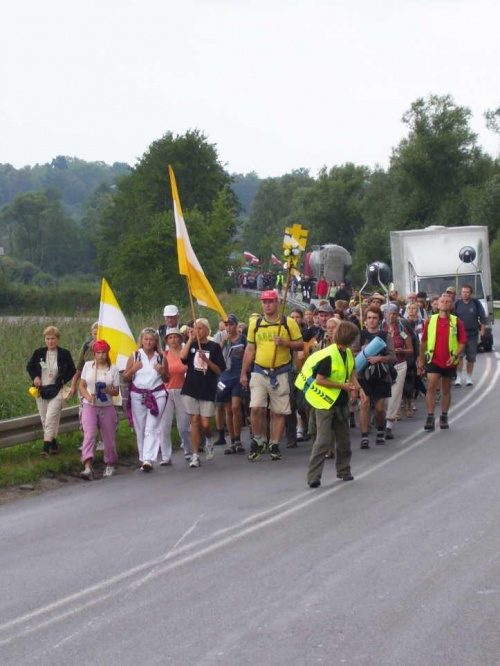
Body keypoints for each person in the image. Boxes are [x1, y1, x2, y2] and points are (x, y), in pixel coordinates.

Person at [296, 321, 367, 487]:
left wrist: (359, 388)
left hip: (340, 401)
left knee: (344, 440)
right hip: (324, 402)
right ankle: (313, 476)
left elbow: (351, 373)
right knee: (323, 440)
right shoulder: (329, 356)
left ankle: (344, 470)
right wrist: (342, 386)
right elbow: (320, 380)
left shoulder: (347, 353)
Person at [240, 290, 303, 461]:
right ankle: (258, 439)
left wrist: (285, 343)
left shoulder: (288, 323)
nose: (267, 305)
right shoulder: (256, 324)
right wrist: (243, 373)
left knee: (278, 412)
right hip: (260, 370)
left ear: (277, 303)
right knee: (256, 407)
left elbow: (300, 345)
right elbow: (250, 349)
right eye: (264, 302)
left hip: (281, 371)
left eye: (270, 302)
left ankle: (274, 443)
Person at [180, 318, 225, 468]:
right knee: (194, 421)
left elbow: (219, 370)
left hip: (207, 388)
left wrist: (206, 360)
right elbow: (182, 357)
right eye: (195, 328)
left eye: (200, 328)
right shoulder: (192, 345)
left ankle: (209, 439)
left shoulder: (214, 347)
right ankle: (195, 455)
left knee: (205, 423)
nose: (197, 331)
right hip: (191, 387)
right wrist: (190, 339)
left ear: (206, 330)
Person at [418, 294, 467, 431]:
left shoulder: (456, 322)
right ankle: (430, 415)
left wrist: (455, 355)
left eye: (447, 302)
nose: (445, 303)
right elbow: (423, 341)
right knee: (431, 386)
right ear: (437, 305)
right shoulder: (430, 320)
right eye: (442, 301)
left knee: (446, 389)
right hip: (434, 359)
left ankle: (444, 415)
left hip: (449, 361)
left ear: (451, 305)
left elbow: (463, 342)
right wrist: (421, 359)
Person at [26, 326, 77, 457]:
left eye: (53, 338)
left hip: (57, 390)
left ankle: (45, 449)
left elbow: (72, 369)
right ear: (44, 340)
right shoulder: (38, 353)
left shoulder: (64, 353)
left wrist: (62, 380)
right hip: (41, 390)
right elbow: (30, 366)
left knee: (50, 418)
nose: (50, 341)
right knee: (44, 419)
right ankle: (54, 443)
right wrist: (35, 377)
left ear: (58, 339)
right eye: (47, 339)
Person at [122, 328, 169, 471]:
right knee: (140, 427)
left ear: (156, 342)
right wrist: (134, 369)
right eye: (146, 339)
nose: (148, 342)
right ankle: (143, 457)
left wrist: (162, 372)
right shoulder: (135, 356)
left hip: (157, 394)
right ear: (142, 340)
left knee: (152, 426)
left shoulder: (160, 357)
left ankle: (149, 458)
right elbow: (125, 377)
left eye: (151, 340)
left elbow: (167, 378)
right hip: (138, 394)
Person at [355, 307, 396, 448]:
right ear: (365, 320)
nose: (371, 321)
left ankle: (380, 429)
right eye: (369, 318)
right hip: (363, 375)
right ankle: (364, 436)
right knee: (364, 404)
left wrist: (380, 358)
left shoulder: (386, 336)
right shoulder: (360, 335)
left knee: (379, 408)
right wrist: (362, 352)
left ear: (379, 320)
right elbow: (352, 354)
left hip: (381, 375)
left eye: (374, 318)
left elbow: (393, 357)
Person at [79, 340, 120, 480]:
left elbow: (116, 391)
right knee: (89, 434)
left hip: (106, 406)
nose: (101, 355)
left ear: (107, 353)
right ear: (94, 354)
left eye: (103, 352)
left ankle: (109, 463)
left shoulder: (113, 369)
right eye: (98, 353)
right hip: (90, 405)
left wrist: (106, 390)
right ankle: (87, 465)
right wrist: (88, 397)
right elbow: (82, 385)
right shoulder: (88, 366)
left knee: (108, 436)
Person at [215, 314, 247, 455]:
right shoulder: (221, 337)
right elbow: (215, 355)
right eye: (227, 324)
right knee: (228, 409)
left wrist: (243, 353)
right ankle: (232, 440)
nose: (229, 327)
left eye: (232, 324)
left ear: (236, 325)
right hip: (224, 376)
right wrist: (223, 342)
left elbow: (249, 354)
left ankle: (238, 439)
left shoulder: (242, 338)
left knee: (235, 407)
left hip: (238, 375)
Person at [160, 329, 192, 465]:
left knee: (183, 425)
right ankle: (166, 456)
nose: (173, 340)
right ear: (167, 340)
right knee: (164, 425)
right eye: (170, 338)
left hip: (182, 391)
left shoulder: (185, 354)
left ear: (180, 339)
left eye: (175, 337)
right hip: (166, 391)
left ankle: (188, 450)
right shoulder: (164, 355)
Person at [382, 303, 413, 439]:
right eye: (389, 313)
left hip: (399, 364)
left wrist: (401, 351)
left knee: (395, 394)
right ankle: (380, 419)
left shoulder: (402, 329)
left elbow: (410, 349)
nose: (391, 316)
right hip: (383, 365)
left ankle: (389, 425)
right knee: (383, 394)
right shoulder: (380, 328)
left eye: (394, 313)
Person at [453, 284, 486, 386]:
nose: (465, 294)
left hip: (473, 334)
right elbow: (452, 318)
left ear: (471, 293)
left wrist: (482, 329)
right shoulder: (457, 304)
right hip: (459, 335)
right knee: (459, 356)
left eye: (467, 292)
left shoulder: (476, 303)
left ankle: (468, 377)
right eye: (463, 292)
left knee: (471, 357)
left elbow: (482, 317)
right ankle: (458, 377)